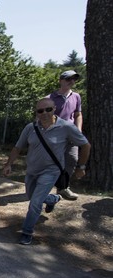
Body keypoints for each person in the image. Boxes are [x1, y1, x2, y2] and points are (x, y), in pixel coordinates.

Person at [2, 97, 90, 245]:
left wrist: (81, 167)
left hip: (51, 171)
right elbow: (18, 147)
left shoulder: (66, 127)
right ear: (36, 112)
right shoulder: (31, 128)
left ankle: (26, 232)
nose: (44, 113)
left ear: (54, 109)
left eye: (48, 109)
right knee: (32, 196)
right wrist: (8, 164)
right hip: (32, 170)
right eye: (40, 111)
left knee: (35, 202)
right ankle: (53, 199)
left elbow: (86, 145)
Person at [48, 70, 83, 200]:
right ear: (61, 80)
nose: (71, 82)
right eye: (68, 79)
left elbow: (78, 114)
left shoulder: (76, 97)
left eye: (74, 79)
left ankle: (63, 188)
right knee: (53, 162)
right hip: (55, 135)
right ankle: (45, 188)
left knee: (72, 160)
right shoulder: (50, 98)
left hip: (72, 134)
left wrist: (78, 130)